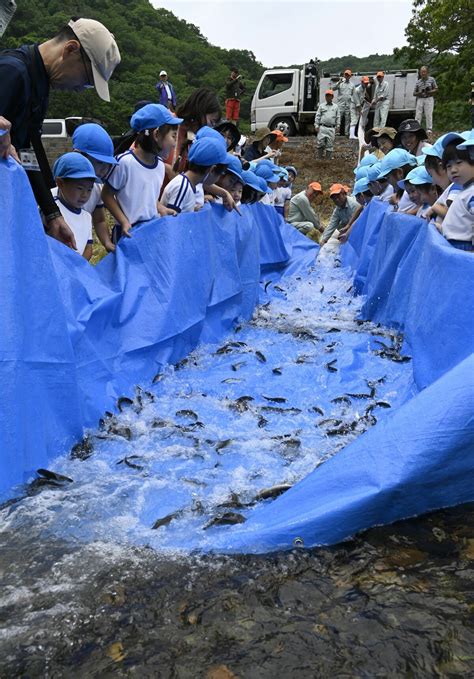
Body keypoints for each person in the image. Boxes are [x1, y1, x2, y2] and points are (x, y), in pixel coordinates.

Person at [0, 17, 120, 249]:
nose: (78, 90)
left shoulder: (40, 87)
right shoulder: (12, 71)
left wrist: (52, 214)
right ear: (70, 49)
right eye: (86, 81)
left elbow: (28, 153)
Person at [102, 104, 183, 241]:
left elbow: (147, 195)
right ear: (156, 134)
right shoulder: (124, 163)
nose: (175, 144)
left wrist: (160, 207)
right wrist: (123, 221)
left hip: (150, 231)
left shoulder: (160, 166)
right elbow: (106, 195)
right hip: (127, 234)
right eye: (173, 136)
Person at [51, 122, 118, 253]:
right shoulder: (55, 198)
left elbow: (99, 220)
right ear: (79, 154)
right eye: (99, 162)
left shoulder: (97, 188)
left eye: (107, 165)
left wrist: (107, 243)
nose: (104, 170)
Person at [51, 153, 99, 260]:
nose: (85, 195)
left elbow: (88, 247)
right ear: (60, 183)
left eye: (89, 189)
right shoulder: (51, 211)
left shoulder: (87, 216)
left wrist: (79, 267)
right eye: (80, 188)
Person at [162, 138, 228, 214]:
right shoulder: (183, 187)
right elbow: (170, 221)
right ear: (212, 170)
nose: (218, 179)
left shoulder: (189, 185)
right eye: (220, 174)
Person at [172, 88, 222, 174]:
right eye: (211, 121)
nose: (210, 128)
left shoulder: (192, 136)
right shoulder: (169, 122)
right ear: (200, 111)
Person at [438, 133, 474, 251]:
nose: (453, 170)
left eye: (459, 163)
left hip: (464, 250)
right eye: (448, 166)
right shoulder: (464, 189)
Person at [376, 148, 418, 212]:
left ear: (399, 172)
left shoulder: (414, 192)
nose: (389, 183)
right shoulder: (404, 193)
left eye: (388, 178)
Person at [314, 90, 340, 160]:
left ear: (332, 97)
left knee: (330, 145)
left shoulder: (336, 107)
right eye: (327, 96)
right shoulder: (321, 106)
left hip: (331, 128)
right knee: (320, 143)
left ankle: (328, 161)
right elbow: (318, 116)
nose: (328, 97)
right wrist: (316, 125)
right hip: (322, 127)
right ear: (325, 97)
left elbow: (338, 117)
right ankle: (319, 159)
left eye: (330, 96)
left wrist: (338, 126)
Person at [413, 66, 438, 136]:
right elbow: (414, 93)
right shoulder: (418, 82)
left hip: (429, 98)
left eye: (424, 71)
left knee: (429, 114)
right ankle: (416, 128)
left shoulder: (432, 79)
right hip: (420, 98)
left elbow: (436, 88)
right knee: (418, 114)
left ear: (427, 72)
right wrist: (420, 92)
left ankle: (429, 129)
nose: (423, 73)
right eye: (421, 72)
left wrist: (430, 91)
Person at [332, 69, 355, 137]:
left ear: (350, 76)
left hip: (348, 104)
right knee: (338, 119)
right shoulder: (340, 83)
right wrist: (339, 82)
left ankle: (346, 133)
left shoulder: (352, 85)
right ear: (344, 75)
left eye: (348, 75)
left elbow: (354, 95)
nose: (346, 76)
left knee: (348, 120)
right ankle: (336, 133)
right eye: (346, 74)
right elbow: (333, 88)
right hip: (340, 105)